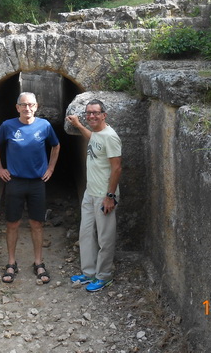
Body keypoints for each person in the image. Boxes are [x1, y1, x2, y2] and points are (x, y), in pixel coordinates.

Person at [0, 92, 60, 285]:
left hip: (37, 182)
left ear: (36, 106)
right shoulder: (8, 126)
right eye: (23, 105)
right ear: (17, 107)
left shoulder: (44, 126)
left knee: (37, 224)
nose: (27, 108)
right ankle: (11, 263)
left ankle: (38, 262)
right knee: (12, 223)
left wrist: (51, 168)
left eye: (30, 105)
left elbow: (56, 146)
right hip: (15, 181)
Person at [66, 99, 122, 292]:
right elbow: (92, 139)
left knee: (105, 238)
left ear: (104, 115)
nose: (91, 116)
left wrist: (110, 196)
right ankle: (89, 272)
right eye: (88, 113)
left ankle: (104, 276)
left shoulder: (110, 136)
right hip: (90, 193)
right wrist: (79, 125)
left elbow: (117, 168)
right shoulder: (97, 134)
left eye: (95, 113)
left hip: (103, 196)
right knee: (86, 233)